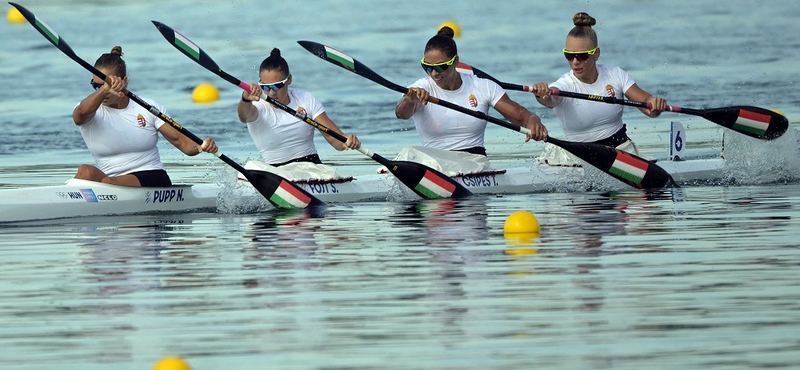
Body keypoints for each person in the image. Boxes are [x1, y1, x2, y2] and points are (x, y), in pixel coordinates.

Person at [395, 26, 548, 163]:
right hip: (434, 162)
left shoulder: (482, 86)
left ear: (456, 62)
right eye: (427, 67)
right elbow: (401, 113)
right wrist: (409, 99)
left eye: (441, 67)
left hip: (473, 163)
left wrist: (533, 121)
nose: (434, 73)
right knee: (409, 153)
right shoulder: (420, 88)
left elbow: (521, 116)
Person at [533, 12, 667, 166]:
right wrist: (541, 94)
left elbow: (647, 105)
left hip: (620, 151)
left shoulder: (616, 75)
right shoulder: (564, 84)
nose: (575, 62)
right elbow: (550, 100)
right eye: (569, 56)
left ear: (596, 54)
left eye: (582, 56)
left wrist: (655, 104)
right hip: (577, 156)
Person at [72, 46, 218, 187]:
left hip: (152, 176)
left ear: (124, 81)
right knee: (85, 171)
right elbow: (80, 115)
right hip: (110, 181)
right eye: (96, 86)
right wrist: (105, 89)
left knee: (109, 183)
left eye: (107, 84)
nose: (101, 90)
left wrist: (200, 147)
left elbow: (182, 142)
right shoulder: (88, 109)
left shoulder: (148, 107)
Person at [239, 48, 361, 168]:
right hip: (277, 172)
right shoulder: (256, 105)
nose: (271, 93)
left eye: (277, 86)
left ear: (289, 80)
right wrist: (245, 99)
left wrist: (346, 140)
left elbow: (334, 140)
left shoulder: (306, 99)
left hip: (312, 167)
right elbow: (244, 117)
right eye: (265, 87)